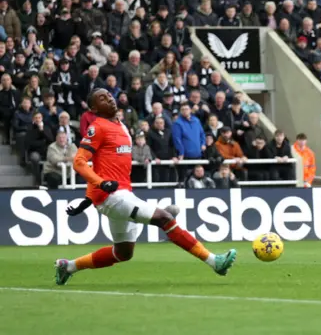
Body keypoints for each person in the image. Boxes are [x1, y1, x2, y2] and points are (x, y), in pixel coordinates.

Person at [55, 89, 236, 286]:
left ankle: (68, 266)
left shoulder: (122, 126)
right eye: (102, 99)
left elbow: (105, 164)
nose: (109, 99)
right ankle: (214, 262)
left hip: (121, 194)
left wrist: (88, 199)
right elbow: (79, 162)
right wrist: (100, 184)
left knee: (123, 253)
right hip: (113, 196)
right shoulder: (97, 128)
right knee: (164, 218)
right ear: (93, 108)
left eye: (109, 95)